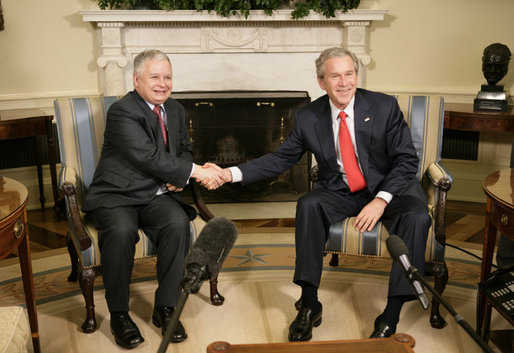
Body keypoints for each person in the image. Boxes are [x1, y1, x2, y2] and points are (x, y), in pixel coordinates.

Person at [208, 47, 431, 341]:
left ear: (356, 75)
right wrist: (228, 174)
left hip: (391, 188)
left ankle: (390, 313)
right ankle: (310, 304)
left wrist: (380, 200)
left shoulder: (384, 106)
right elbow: (280, 159)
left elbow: (406, 160)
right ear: (321, 81)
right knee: (309, 204)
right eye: (334, 76)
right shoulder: (308, 116)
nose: (344, 82)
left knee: (417, 216)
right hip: (342, 190)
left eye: (349, 74)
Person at [83, 49, 223, 349]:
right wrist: (197, 172)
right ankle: (120, 313)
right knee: (121, 232)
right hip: (117, 194)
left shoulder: (175, 109)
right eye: (155, 77)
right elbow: (147, 156)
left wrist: (180, 174)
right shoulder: (122, 111)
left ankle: (166, 307)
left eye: (168, 77)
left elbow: (183, 148)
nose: (163, 83)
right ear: (136, 79)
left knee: (176, 224)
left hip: (154, 194)